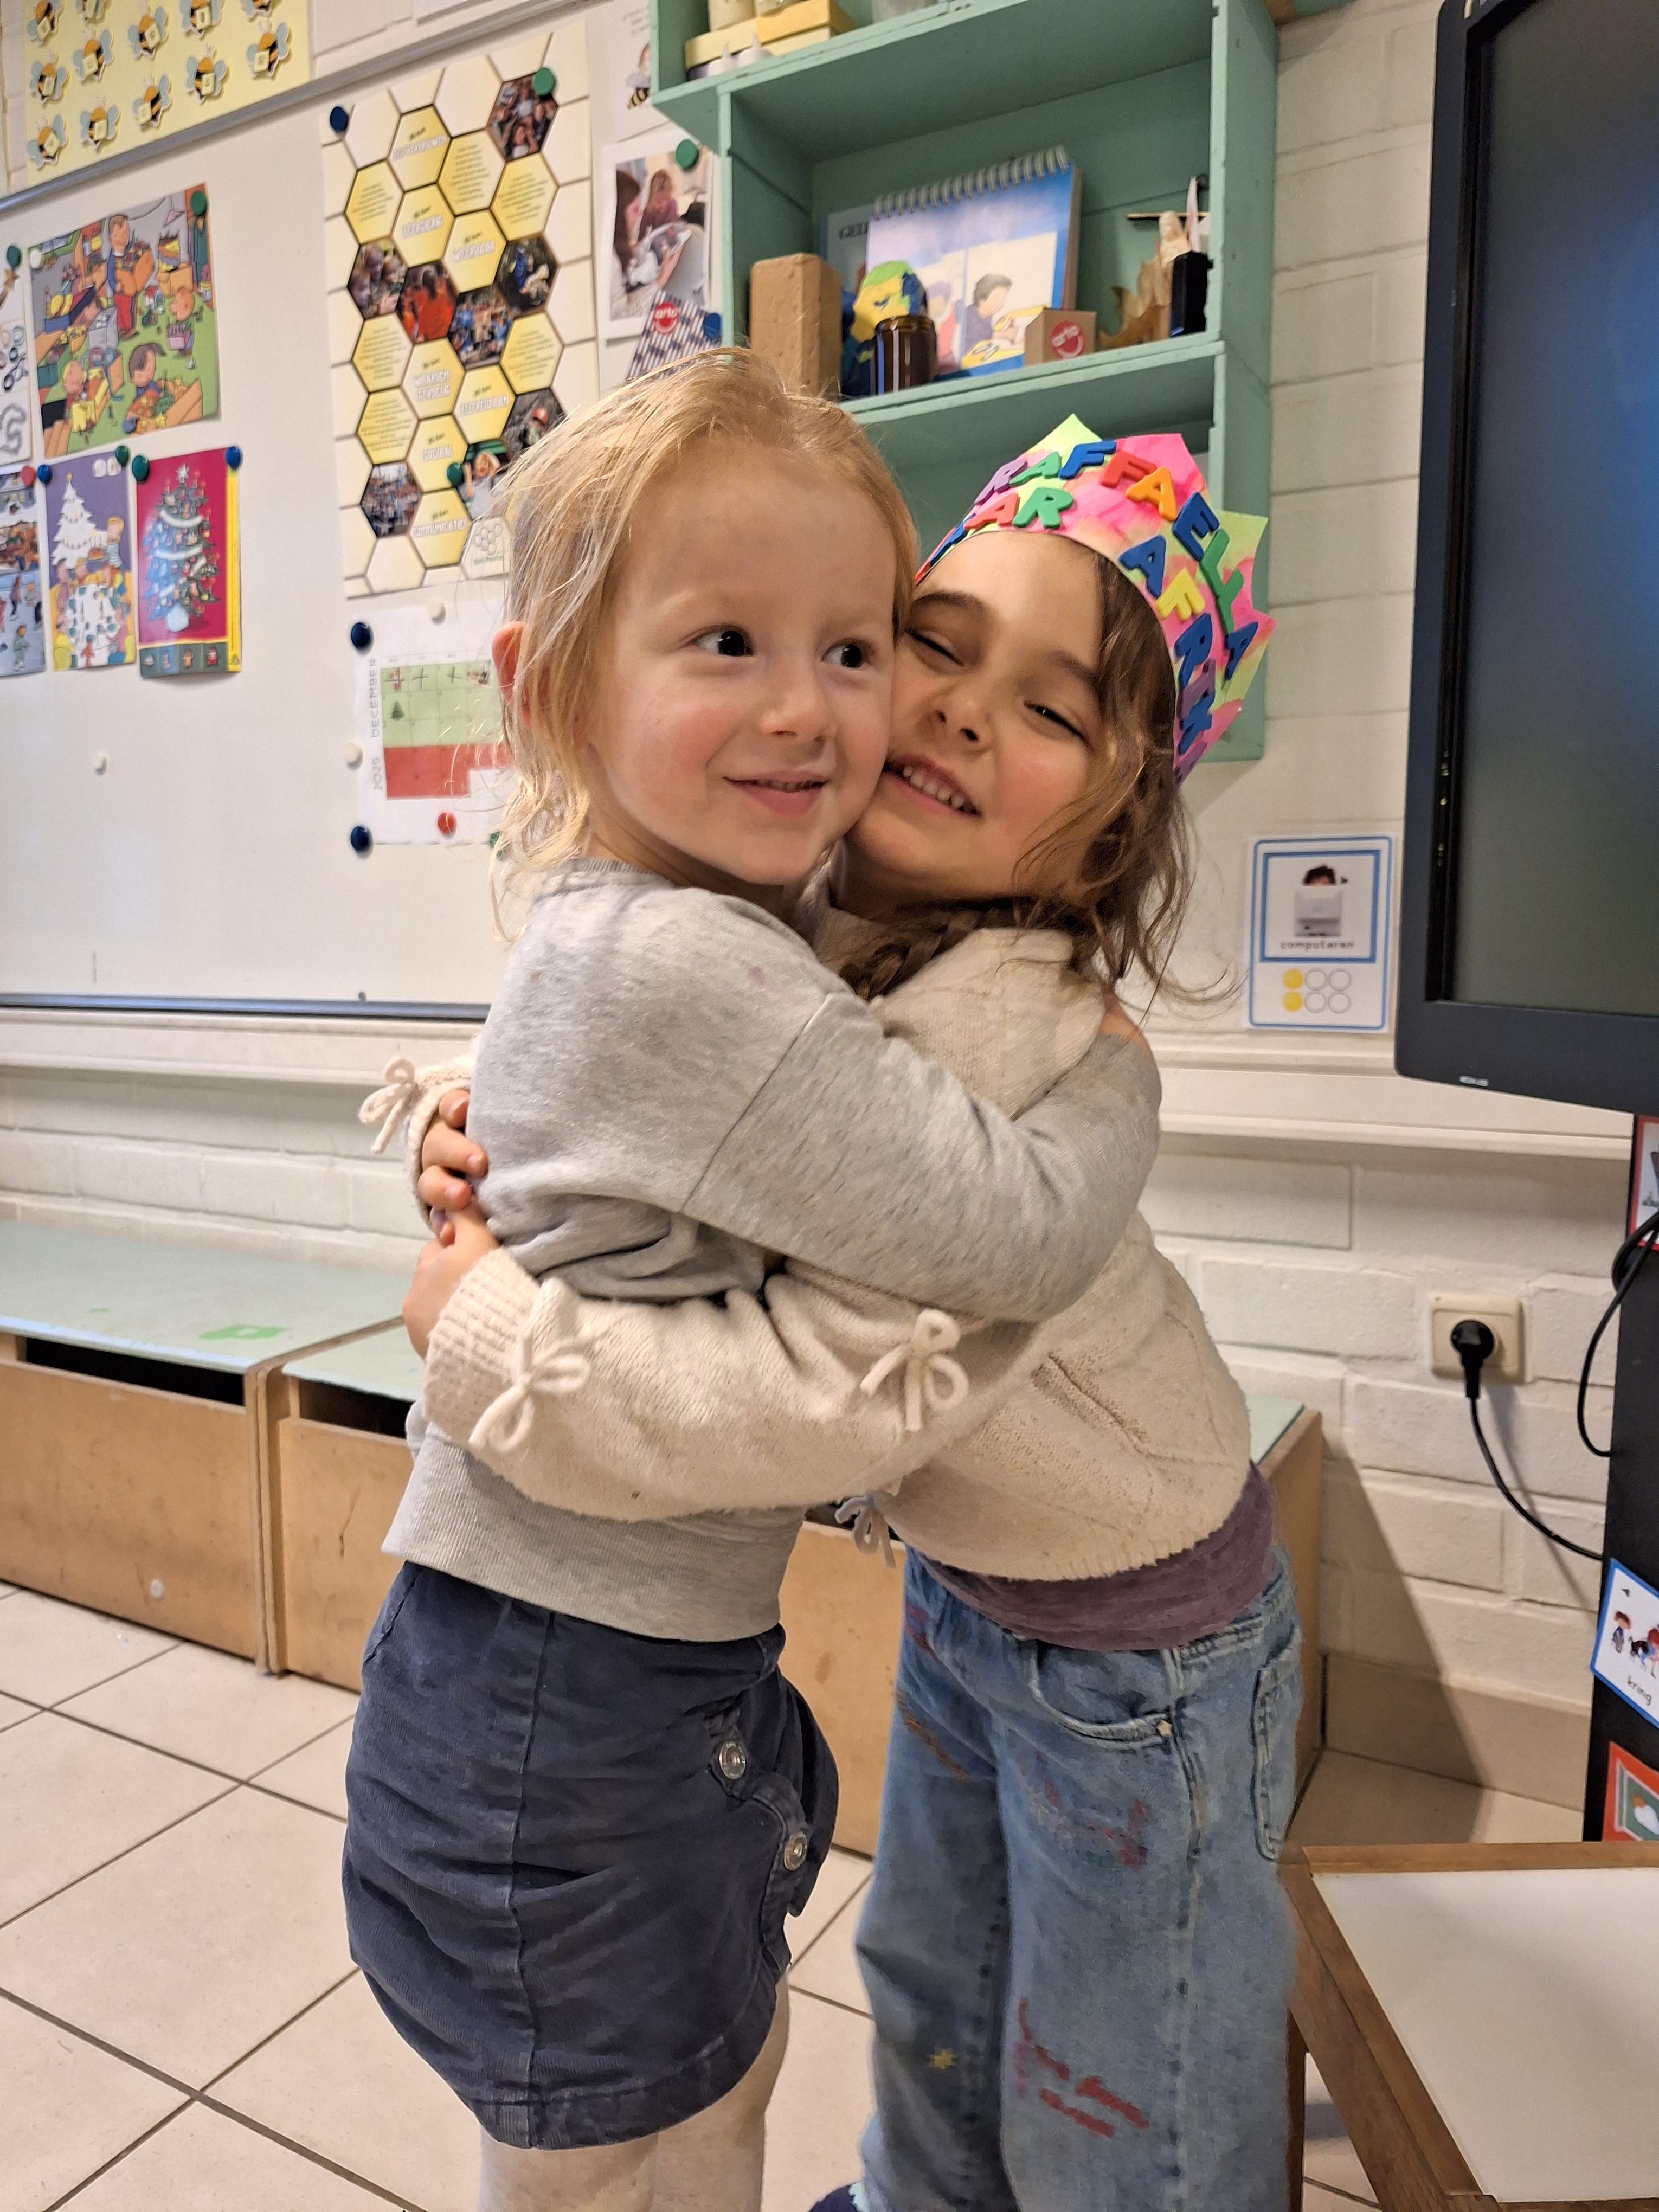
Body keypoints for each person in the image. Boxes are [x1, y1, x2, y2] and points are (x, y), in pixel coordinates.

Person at [390, 417, 1293, 2212]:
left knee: (1120, 2102)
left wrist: (481, 1323)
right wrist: (465, 1117)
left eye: (1049, 710)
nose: (953, 712)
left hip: (1143, 1632)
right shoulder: (792, 914)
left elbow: (819, 1385)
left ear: (1117, 818)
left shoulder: (1015, 1023)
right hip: (966, 1586)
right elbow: (646, 1076)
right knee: (933, 2007)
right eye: (933, 646)